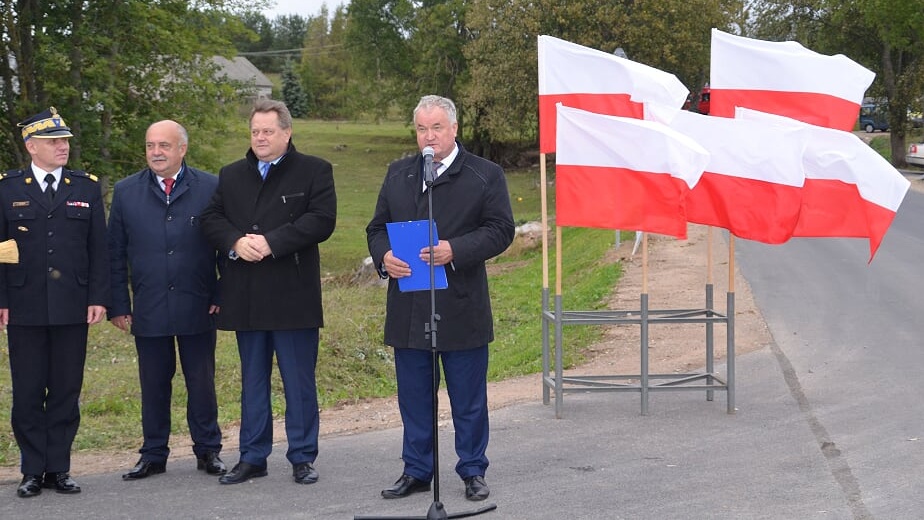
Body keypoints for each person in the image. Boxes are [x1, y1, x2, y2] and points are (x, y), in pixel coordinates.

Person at [365, 95, 515, 501]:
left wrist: (456, 250)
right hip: (409, 305)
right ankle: (416, 469)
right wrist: (384, 257)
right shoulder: (399, 174)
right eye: (421, 129)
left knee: (467, 398)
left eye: (436, 128)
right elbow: (376, 228)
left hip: (461, 304)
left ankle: (472, 470)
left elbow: (501, 229)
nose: (428, 137)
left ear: (453, 129)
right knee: (414, 397)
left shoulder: (485, 174)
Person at [199, 99, 336, 486]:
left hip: (293, 297)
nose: (260, 138)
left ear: (287, 132)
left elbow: (322, 221)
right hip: (246, 296)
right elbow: (211, 219)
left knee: (298, 382)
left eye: (268, 131)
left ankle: (303, 457)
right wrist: (235, 243)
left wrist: (271, 242)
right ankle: (252, 457)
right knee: (253, 383)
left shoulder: (314, 170)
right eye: (255, 131)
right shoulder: (231, 174)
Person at [107, 120, 226, 481]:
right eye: (150, 146)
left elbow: (227, 245)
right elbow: (115, 254)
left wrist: (222, 292)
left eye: (164, 145)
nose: (156, 153)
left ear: (182, 149)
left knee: (201, 382)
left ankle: (208, 451)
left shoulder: (211, 187)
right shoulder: (126, 192)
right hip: (149, 305)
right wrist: (118, 304)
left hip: (199, 303)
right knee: (154, 383)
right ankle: (153, 454)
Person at [0, 107, 110, 498]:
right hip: (23, 305)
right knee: (28, 391)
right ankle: (32, 470)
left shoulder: (85, 187)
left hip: (72, 304)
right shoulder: (8, 188)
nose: (62, 147)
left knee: (65, 390)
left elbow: (100, 248)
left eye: (64, 141)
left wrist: (99, 296)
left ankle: (59, 468)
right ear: (32, 146)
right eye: (53, 142)